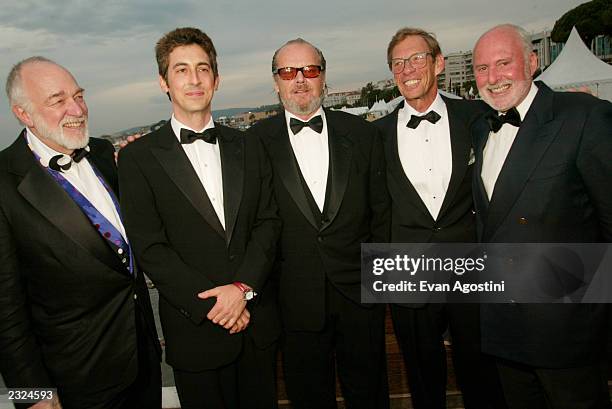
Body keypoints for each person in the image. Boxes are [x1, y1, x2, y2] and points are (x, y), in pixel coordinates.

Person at [118, 27, 281, 409]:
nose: (193, 79)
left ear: (216, 79)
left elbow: (268, 223)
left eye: (202, 69)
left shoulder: (250, 146)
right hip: (195, 334)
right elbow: (150, 247)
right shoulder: (138, 158)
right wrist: (217, 307)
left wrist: (242, 289)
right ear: (164, 83)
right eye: (181, 70)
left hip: (255, 325)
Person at [0, 57, 161, 409]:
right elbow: (4, 311)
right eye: (58, 100)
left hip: (145, 366)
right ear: (23, 114)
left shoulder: (102, 152)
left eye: (79, 95)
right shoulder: (3, 183)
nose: (77, 109)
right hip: (76, 385)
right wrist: (31, 397)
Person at [471, 23, 612, 409]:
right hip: (506, 327)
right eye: (482, 68)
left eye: (503, 63)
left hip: (567, 330)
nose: (493, 78)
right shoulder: (481, 129)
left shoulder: (584, 116)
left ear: (532, 62)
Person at [249, 38, 390, 409]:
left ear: (324, 78)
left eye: (310, 70)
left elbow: (382, 214)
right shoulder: (253, 145)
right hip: (293, 305)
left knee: (370, 393)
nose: (300, 80)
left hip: (360, 298)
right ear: (275, 82)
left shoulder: (362, 135)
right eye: (288, 72)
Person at [373, 27, 506, 409]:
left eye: (416, 58)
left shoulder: (477, 117)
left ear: (439, 63)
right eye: (398, 63)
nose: (407, 69)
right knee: (421, 378)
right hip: (407, 271)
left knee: (482, 372)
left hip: (472, 268)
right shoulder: (376, 135)